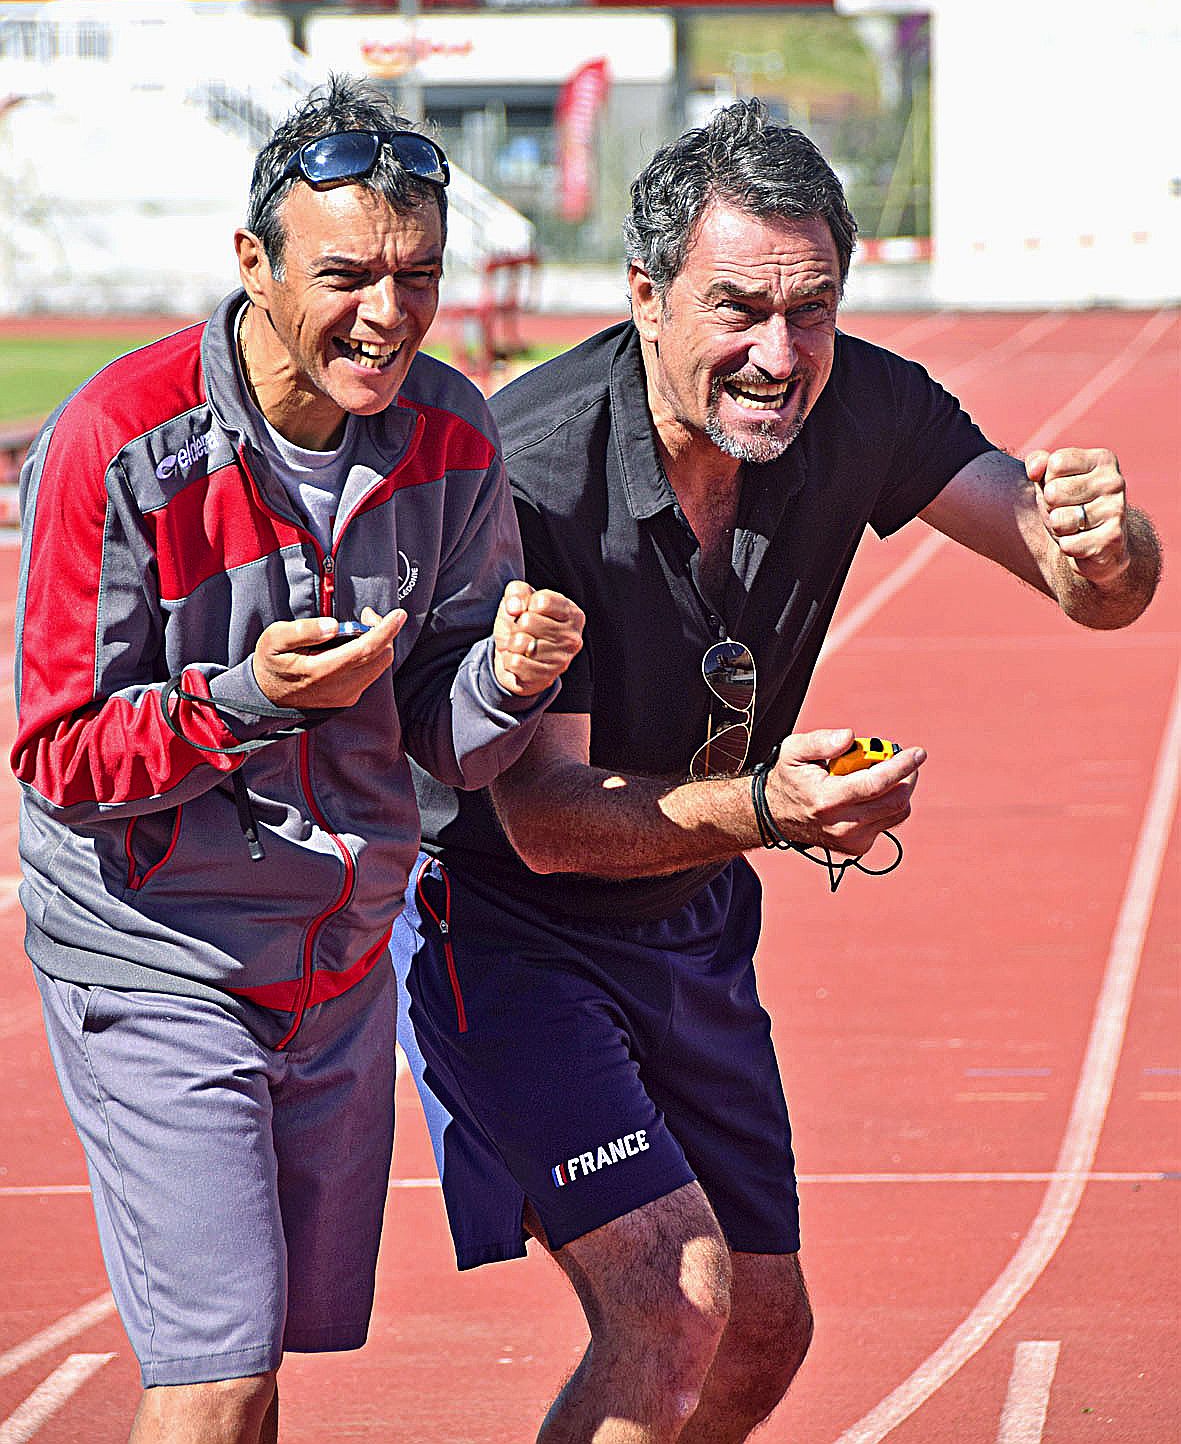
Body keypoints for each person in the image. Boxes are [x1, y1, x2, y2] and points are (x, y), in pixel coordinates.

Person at [393, 99, 1161, 1444]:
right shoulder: (533, 475)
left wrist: (1113, 547)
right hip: (511, 932)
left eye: (810, 308)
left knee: (760, 1330)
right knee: (673, 1304)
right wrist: (767, 809)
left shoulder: (858, 400)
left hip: (688, 918)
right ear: (643, 293)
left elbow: (1080, 581)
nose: (778, 354)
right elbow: (550, 824)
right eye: (737, 307)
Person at [11, 75, 584, 1444]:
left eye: (416, 275)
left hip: (337, 960)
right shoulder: (121, 442)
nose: (387, 315)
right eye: (345, 275)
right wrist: (240, 704)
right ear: (252, 263)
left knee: (259, 1361)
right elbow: (57, 752)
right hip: (158, 954)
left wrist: (504, 679)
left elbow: (441, 740)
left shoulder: (450, 431)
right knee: (209, 1370)